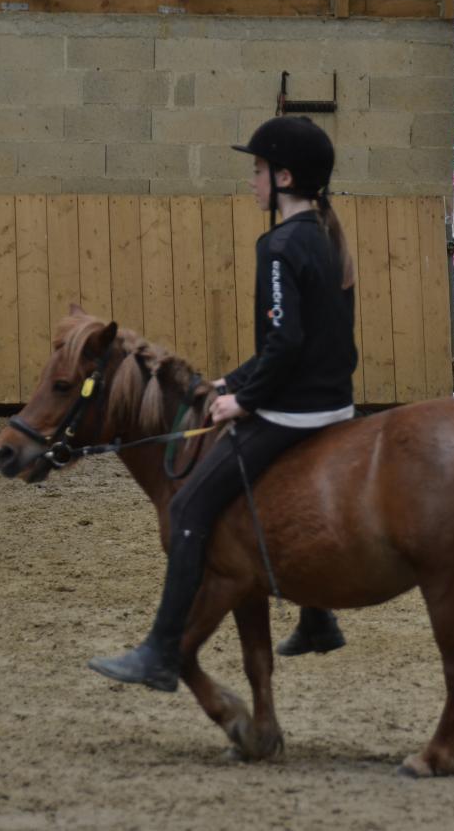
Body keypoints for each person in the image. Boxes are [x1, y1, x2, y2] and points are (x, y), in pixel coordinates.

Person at [88, 116, 359, 691]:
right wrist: (229, 382)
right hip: (334, 403)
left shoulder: (280, 245)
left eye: (258, 171)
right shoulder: (328, 237)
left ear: (285, 177)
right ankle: (316, 618)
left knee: (188, 510)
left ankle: (161, 652)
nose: (252, 182)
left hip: (293, 409)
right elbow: (309, 341)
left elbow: (285, 343)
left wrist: (244, 401)